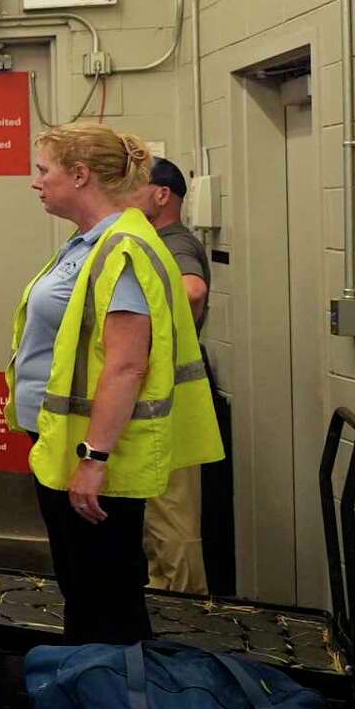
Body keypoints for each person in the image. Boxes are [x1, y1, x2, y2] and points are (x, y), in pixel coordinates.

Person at [6, 124, 221, 646]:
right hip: (66, 440)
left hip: (95, 450)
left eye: (44, 171)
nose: (36, 183)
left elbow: (126, 365)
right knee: (84, 588)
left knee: (104, 593)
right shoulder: (87, 244)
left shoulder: (121, 249)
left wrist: (94, 458)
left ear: (80, 176)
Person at [139, 158, 212, 594]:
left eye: (135, 187)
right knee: (159, 520)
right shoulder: (155, 240)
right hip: (159, 400)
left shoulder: (173, 241)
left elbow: (193, 290)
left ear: (162, 195)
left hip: (171, 401)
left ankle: (185, 623)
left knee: (173, 520)